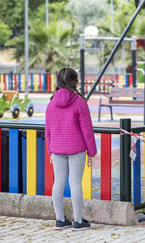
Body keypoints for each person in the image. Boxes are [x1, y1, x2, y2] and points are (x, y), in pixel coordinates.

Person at [45, 67, 97, 231]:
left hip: (57, 149)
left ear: (58, 82)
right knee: (75, 183)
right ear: (75, 82)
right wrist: (92, 152)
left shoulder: (51, 103)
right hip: (77, 148)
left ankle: (60, 219)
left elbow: (48, 130)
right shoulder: (80, 102)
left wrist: (50, 151)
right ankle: (78, 221)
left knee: (58, 182)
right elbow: (87, 130)